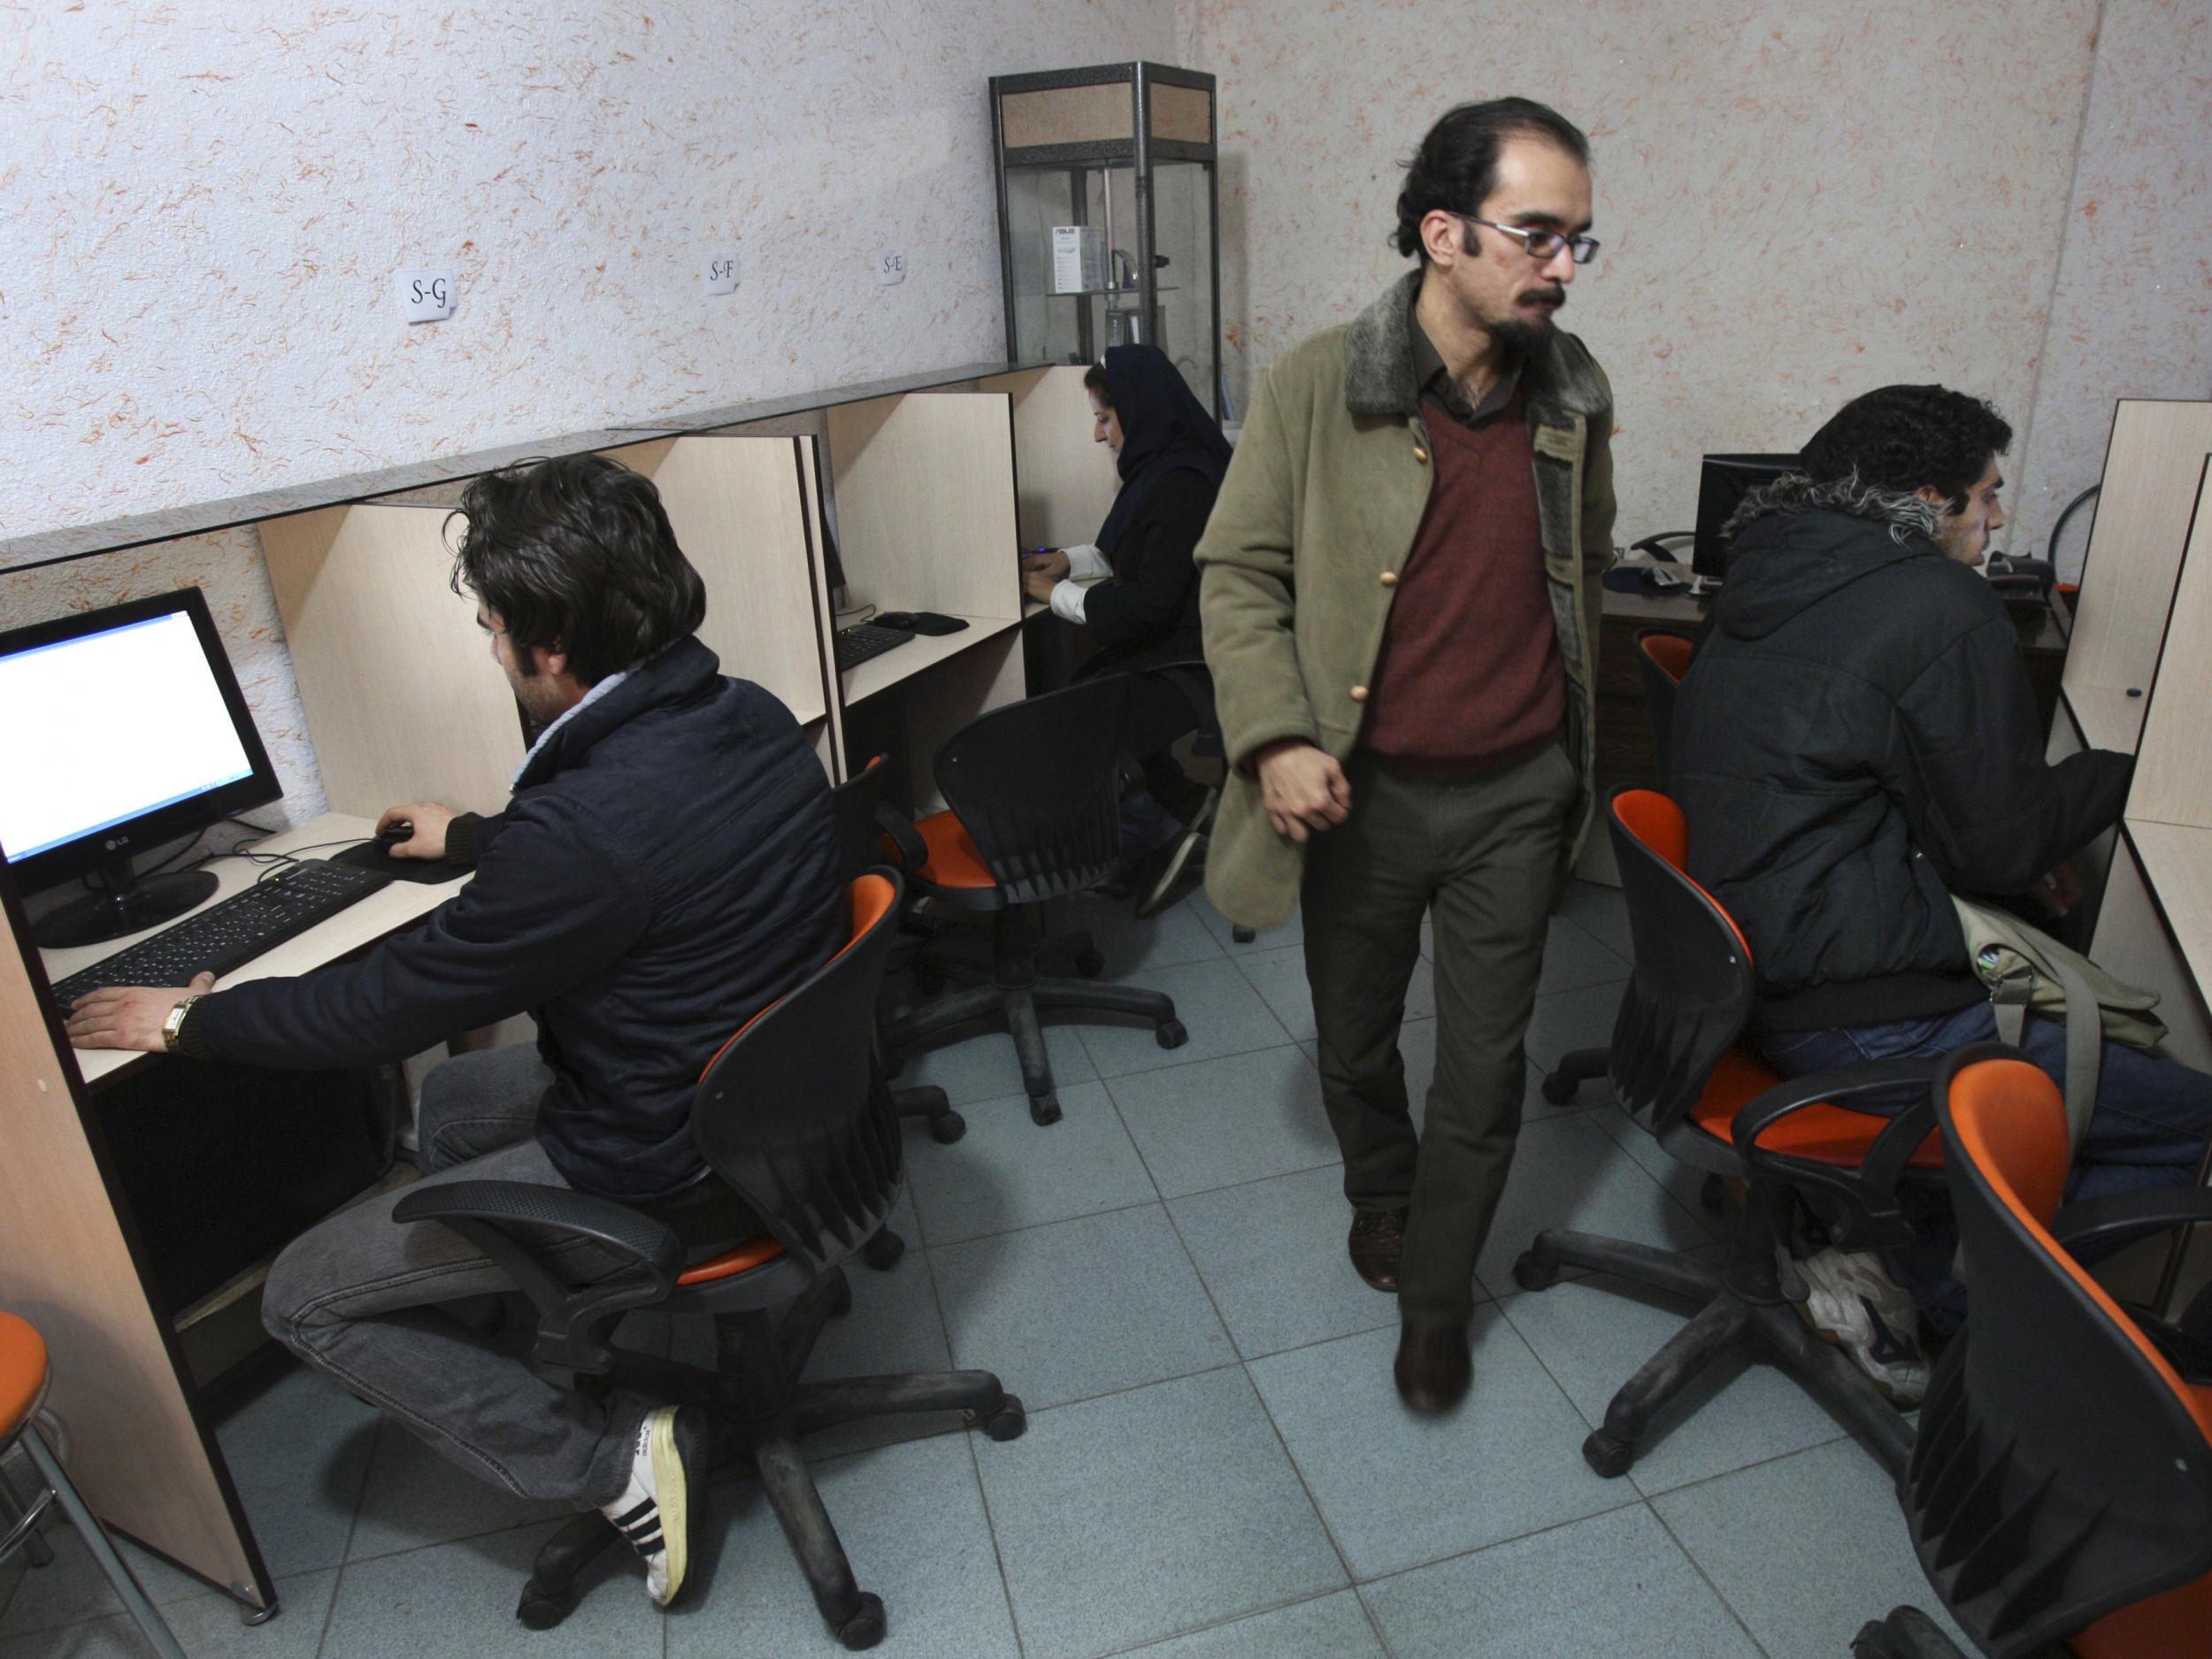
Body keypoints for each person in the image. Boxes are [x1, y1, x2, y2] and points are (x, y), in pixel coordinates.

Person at [63, 453, 843, 1609]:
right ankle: (514, 1310)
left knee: (305, 1291)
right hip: (784, 1100)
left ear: (553, 644)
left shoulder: (581, 829)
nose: (490, 650)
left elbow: (379, 1006)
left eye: (493, 627)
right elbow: (638, 862)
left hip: (677, 1164)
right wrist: (481, 836)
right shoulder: (743, 710)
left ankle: (605, 1457)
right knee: (452, 1104)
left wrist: (185, 1016)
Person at [1196, 99, 1616, 1413]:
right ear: (1443, 232)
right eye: (1535, 234)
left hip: (1517, 790)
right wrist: (1271, 736)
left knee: (1485, 1070)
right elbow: (1236, 571)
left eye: (1578, 241)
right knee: (1356, 1045)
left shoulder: (1576, 388)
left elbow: (1583, 568)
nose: (1558, 265)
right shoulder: (1323, 382)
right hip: (1360, 795)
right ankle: (1381, 1193)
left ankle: (1437, 1305)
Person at [1671, 383, 2212, 1397]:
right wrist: (2135, 768)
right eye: (1987, 496)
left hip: (1754, 973)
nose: (1999, 518)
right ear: (1927, 499)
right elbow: (2000, 849)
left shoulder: (1769, 575)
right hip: (1860, 1015)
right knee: (2191, 1121)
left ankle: (1884, 1237)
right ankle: (1933, 1296)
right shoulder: (1938, 604)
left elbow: (1853, 761)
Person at [1021, 343, 1233, 910]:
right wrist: (1071, 561)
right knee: (1074, 700)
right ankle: (1180, 805)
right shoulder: (1167, 465)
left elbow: (1149, 603)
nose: (1098, 435)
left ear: (1137, 413)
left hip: (1192, 664)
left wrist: (1056, 595)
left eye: (1103, 417)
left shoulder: (1182, 481)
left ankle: (1158, 833)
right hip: (1176, 648)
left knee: (1072, 722)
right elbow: (1142, 546)